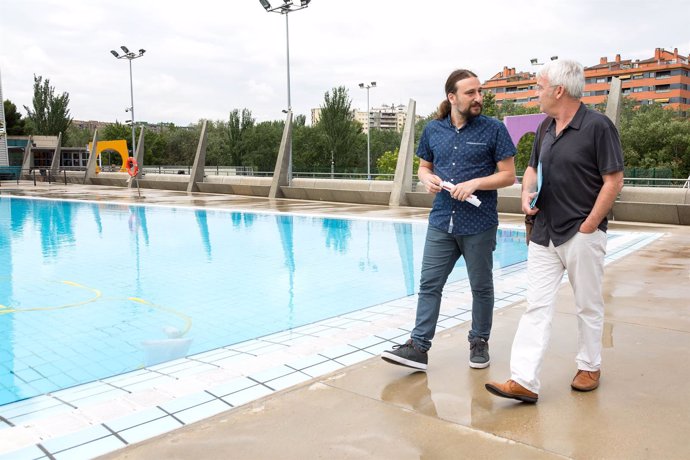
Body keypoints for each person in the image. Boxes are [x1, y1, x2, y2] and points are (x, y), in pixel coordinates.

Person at [485, 59, 624, 403]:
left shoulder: (598, 127)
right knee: (536, 305)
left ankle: (590, 365)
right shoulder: (546, 126)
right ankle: (524, 380)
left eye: (539, 86)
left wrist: (590, 225)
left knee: (587, 305)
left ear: (559, 90)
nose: (536, 92)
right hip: (544, 232)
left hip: (581, 233)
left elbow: (613, 180)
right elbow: (532, 168)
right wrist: (525, 194)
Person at [381, 69, 516, 370]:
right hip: (442, 220)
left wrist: (475, 183)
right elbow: (423, 168)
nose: (478, 98)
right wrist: (428, 179)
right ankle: (418, 347)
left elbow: (509, 175)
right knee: (430, 284)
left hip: (479, 223)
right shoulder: (432, 130)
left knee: (481, 287)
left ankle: (479, 341)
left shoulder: (494, 130)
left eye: (480, 91)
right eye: (471, 93)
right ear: (452, 97)